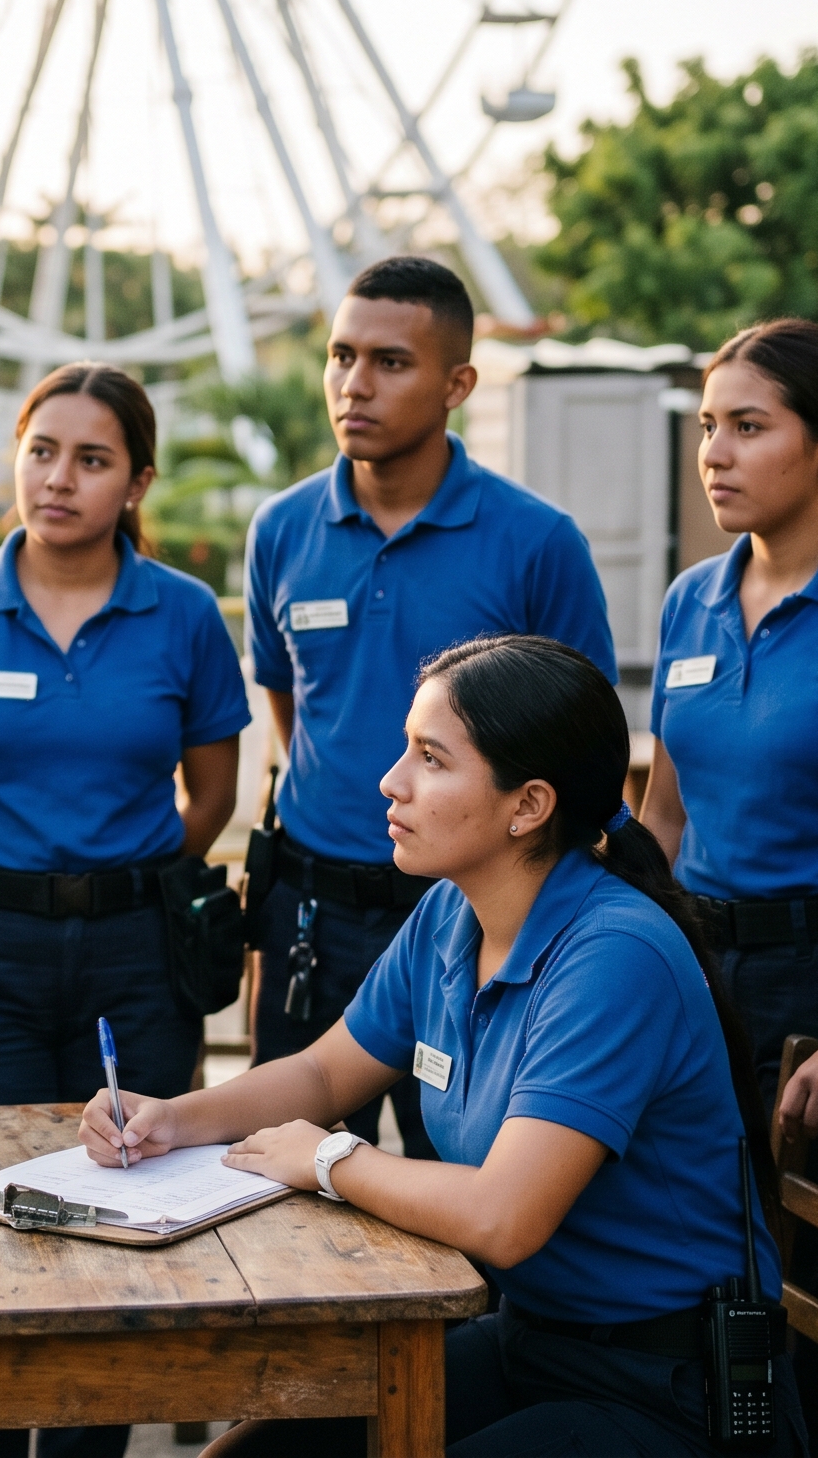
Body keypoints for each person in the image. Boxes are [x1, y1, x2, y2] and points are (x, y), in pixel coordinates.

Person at [86, 634, 802, 1456]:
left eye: (430, 758)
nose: (392, 782)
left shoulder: (615, 955)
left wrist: (328, 1162)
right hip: (532, 1338)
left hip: (664, 1387)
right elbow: (324, 1071)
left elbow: (503, 1220)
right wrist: (171, 1119)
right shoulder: (452, 914)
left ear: (527, 805)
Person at [0, 362, 249, 1458]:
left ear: (136, 481)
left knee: (119, 1218)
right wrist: (9, 877)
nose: (60, 479)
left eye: (93, 460)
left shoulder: (181, 614)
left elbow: (213, 792)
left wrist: (115, 877)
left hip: (137, 952)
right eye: (42, 451)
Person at [243, 255, 617, 1163]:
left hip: (470, 918)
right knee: (270, 1168)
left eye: (390, 363)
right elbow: (294, 714)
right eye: (340, 356)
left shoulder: (537, 543)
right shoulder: (282, 531)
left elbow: (581, 752)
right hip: (310, 910)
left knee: (455, 1180)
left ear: (458, 383)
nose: (354, 385)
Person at [637, 316, 818, 1457]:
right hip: (700, 975)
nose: (715, 454)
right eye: (708, 428)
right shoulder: (690, 599)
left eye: (749, 427)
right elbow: (663, 810)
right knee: (704, 1284)